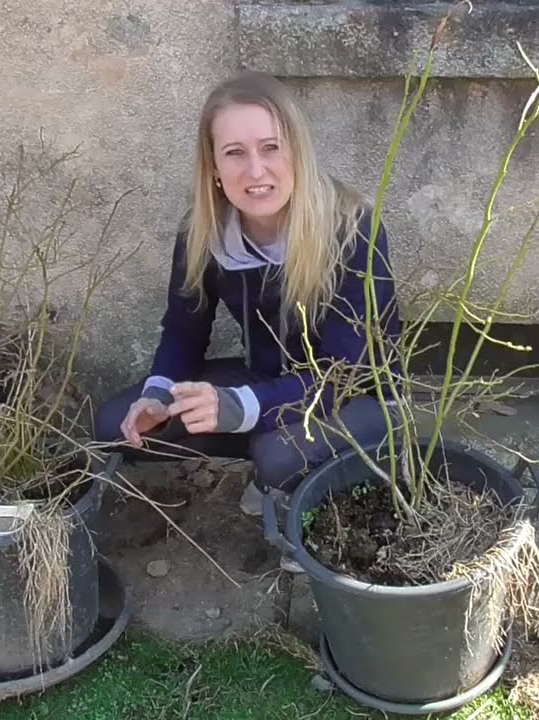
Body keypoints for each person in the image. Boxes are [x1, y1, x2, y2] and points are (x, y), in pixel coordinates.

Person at [92, 71, 402, 532]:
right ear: (213, 167)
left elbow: (348, 373)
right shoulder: (202, 234)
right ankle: (278, 459)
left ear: (296, 150)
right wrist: (159, 397)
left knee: (277, 455)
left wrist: (239, 406)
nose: (255, 172)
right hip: (264, 379)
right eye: (234, 153)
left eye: (271, 147)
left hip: (357, 400)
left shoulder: (351, 228)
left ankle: (317, 493)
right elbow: (183, 332)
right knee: (117, 424)